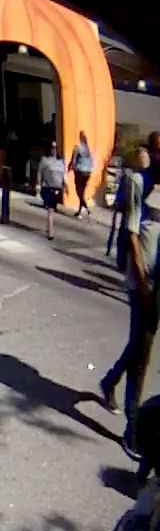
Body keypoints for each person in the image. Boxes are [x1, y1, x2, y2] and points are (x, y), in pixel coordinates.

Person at [101, 147, 156, 461]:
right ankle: (132, 428)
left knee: (139, 346)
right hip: (142, 281)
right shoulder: (138, 181)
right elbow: (132, 233)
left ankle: (109, 381)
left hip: (156, 281)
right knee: (140, 351)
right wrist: (143, 281)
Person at [36, 141, 69, 240]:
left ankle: (49, 227)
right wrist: (38, 184)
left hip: (57, 188)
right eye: (52, 147)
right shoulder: (44, 160)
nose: (53, 150)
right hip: (47, 187)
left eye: (55, 148)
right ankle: (51, 232)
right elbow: (39, 172)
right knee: (50, 209)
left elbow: (64, 174)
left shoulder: (61, 161)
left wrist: (66, 185)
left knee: (52, 209)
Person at [69, 130, 95, 219]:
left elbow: (73, 160)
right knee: (82, 192)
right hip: (88, 172)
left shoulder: (77, 147)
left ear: (80, 137)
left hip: (79, 171)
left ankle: (87, 208)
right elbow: (92, 162)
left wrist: (71, 168)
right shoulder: (88, 149)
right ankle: (80, 211)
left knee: (78, 191)